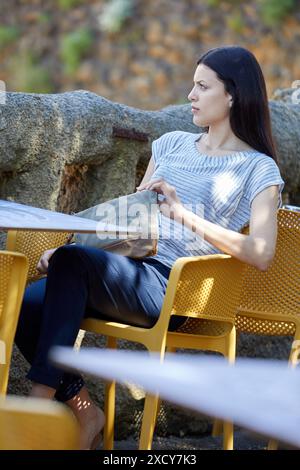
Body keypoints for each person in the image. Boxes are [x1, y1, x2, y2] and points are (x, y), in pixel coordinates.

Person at [15, 45, 284, 449]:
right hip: (131, 268)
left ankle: (35, 421)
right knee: (27, 302)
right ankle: (85, 412)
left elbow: (262, 253)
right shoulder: (172, 143)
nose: (190, 95)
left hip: (178, 288)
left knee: (69, 269)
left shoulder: (258, 168)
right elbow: (131, 220)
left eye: (202, 86)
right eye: (192, 85)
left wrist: (184, 215)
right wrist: (72, 249)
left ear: (232, 95)